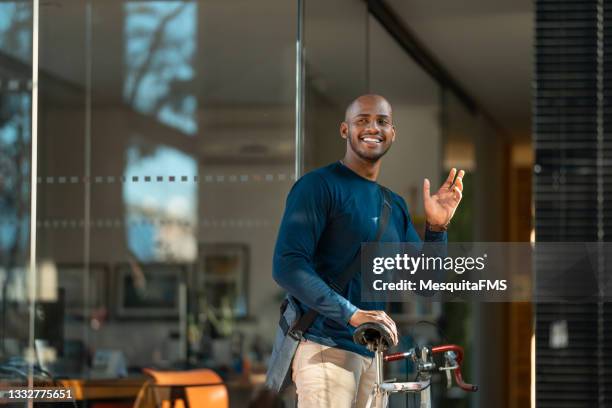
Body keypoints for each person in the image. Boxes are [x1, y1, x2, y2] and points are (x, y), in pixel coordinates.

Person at [272, 94, 464, 407]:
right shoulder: (318, 187)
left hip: (372, 360)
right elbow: (287, 265)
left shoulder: (393, 205)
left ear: (392, 133)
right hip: (325, 351)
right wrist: (352, 314)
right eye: (362, 120)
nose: (372, 127)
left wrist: (437, 229)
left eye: (381, 121)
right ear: (345, 130)